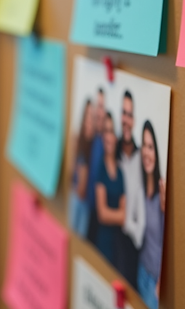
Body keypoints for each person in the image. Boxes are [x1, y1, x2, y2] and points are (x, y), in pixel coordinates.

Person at [137, 120, 166, 309]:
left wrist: (161, 281)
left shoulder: (161, 192)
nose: (147, 152)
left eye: (151, 147)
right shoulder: (138, 185)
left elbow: (168, 241)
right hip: (140, 272)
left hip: (155, 283)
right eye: (144, 146)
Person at [116, 90, 143, 283]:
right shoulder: (111, 153)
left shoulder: (141, 158)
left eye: (130, 114)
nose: (126, 119)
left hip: (131, 246)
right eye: (124, 113)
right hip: (110, 239)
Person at [92, 111, 125, 264]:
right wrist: (119, 216)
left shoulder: (120, 171)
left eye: (111, 131)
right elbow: (102, 214)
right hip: (103, 243)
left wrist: (119, 216)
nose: (107, 136)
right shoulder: (100, 169)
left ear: (116, 137)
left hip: (118, 244)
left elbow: (124, 215)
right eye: (105, 131)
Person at [67, 97, 93, 237]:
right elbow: (71, 171)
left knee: (80, 237)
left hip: (85, 203)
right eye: (87, 115)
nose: (89, 120)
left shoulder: (95, 144)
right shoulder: (78, 140)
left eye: (92, 116)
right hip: (75, 197)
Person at [84, 87, 106, 244]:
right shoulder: (90, 139)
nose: (99, 112)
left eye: (102, 107)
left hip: (100, 213)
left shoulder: (108, 142)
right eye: (97, 107)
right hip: (87, 207)